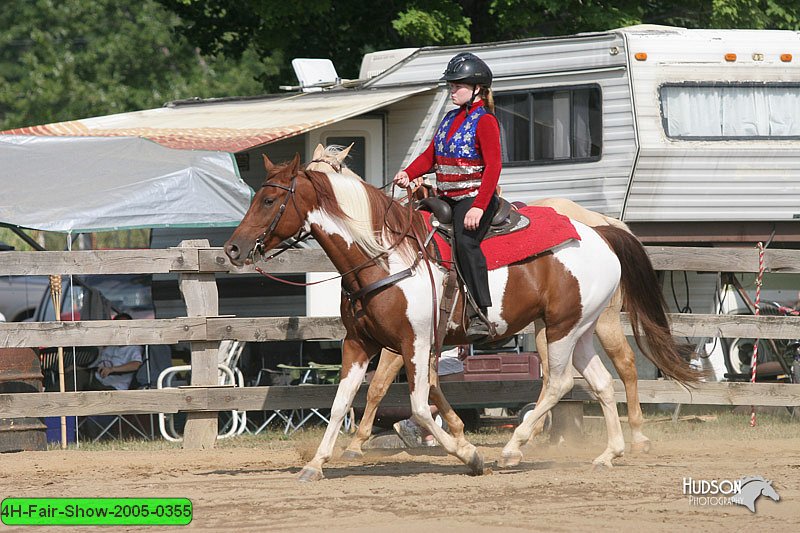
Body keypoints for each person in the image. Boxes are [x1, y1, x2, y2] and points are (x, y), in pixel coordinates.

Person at [394, 52, 501, 339]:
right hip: (446, 196)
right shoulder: (450, 118)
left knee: (466, 243)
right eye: (451, 86)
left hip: (474, 197)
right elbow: (430, 156)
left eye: (458, 86)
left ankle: (480, 312)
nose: (452, 90)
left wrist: (479, 207)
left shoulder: (485, 121)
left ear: (477, 89)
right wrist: (409, 172)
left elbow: (494, 166)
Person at [393, 345, 467, 447]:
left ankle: (428, 441)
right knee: (453, 395)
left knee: (432, 399)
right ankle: (411, 423)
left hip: (428, 353)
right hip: (447, 351)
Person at [86, 312, 143, 391]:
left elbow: (136, 364)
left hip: (114, 386)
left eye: (123, 327)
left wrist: (112, 369)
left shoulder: (134, 348)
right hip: (96, 379)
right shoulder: (110, 346)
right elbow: (95, 364)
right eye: (117, 327)